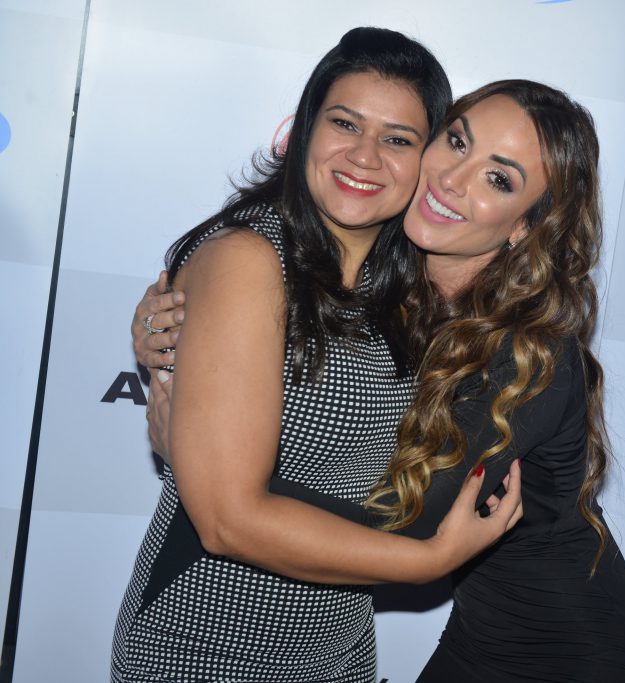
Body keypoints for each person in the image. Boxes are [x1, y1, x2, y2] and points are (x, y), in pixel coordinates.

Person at [137, 80, 625, 681]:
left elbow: (407, 524)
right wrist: (172, 326)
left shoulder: (529, 355)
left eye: (498, 179)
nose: (452, 179)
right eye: (457, 143)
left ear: (525, 227)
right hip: (478, 637)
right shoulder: (392, 281)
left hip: (581, 652)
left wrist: (204, 462)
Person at [111, 28, 522, 683]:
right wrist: (429, 560)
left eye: (398, 139)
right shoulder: (249, 260)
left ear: (425, 163)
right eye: (344, 123)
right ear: (305, 127)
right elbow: (225, 520)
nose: (365, 156)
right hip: (206, 650)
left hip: (341, 649)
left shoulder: (408, 282)